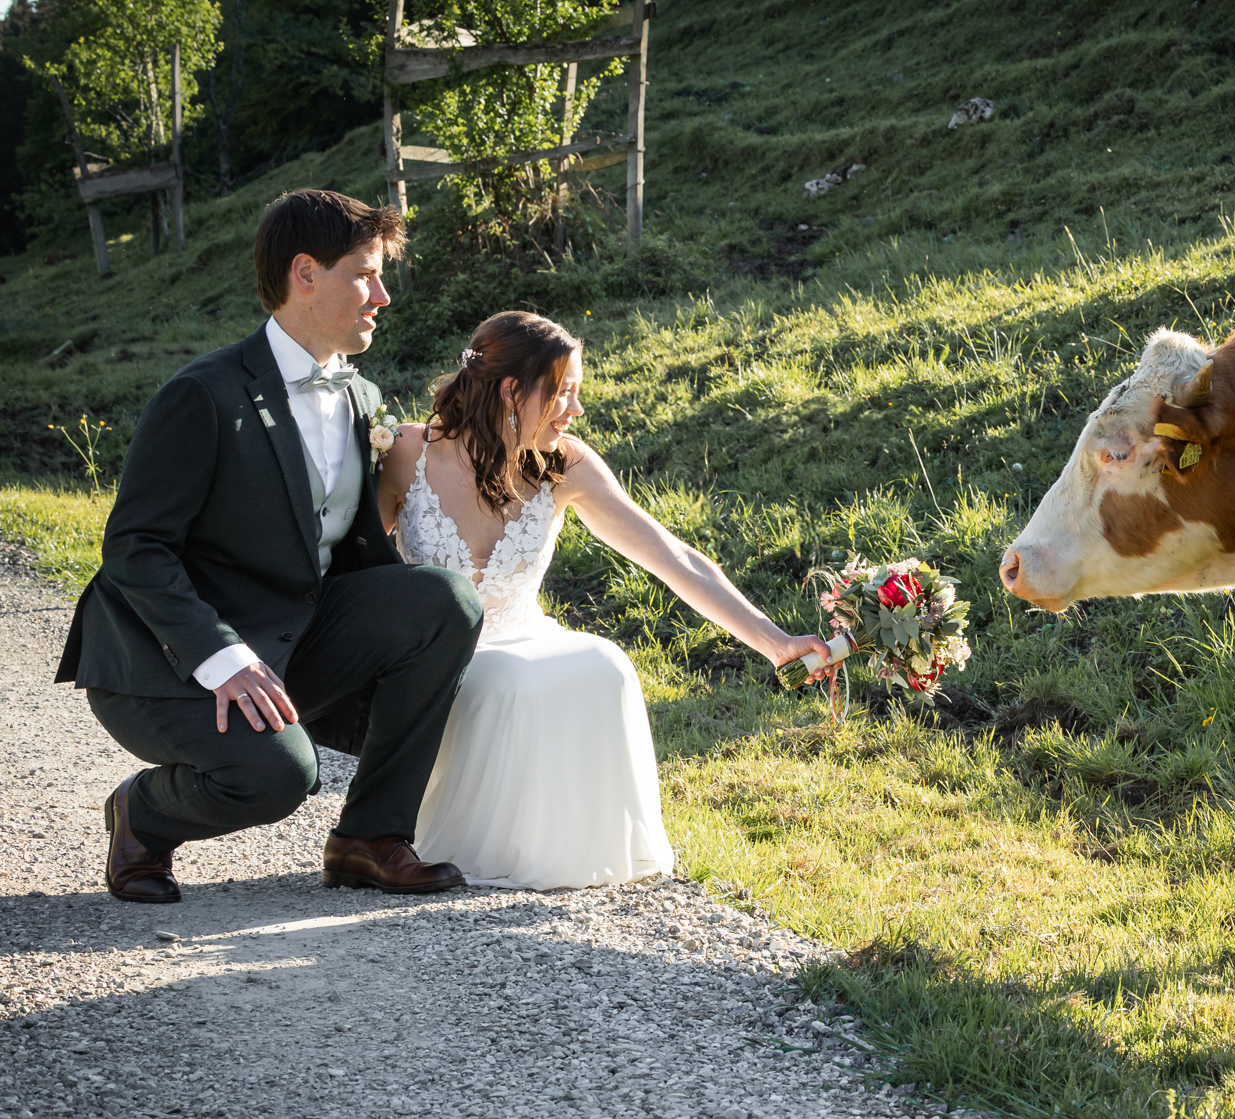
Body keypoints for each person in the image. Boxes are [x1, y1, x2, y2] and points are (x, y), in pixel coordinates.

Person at [56, 189, 483, 903]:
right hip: (165, 660)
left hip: (293, 635)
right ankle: (143, 814)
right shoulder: (205, 395)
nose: (381, 295)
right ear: (305, 274)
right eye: (365, 274)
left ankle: (370, 838)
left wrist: (418, 657)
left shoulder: (359, 397)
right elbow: (135, 547)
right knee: (280, 776)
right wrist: (223, 659)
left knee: (444, 601)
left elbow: (348, 549)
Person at [378, 310, 832, 890]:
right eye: (563, 392)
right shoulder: (405, 454)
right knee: (511, 682)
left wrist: (776, 642)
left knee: (605, 662)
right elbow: (354, 572)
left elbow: (674, 557)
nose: (576, 410)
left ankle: (566, 853)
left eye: (577, 393)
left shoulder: (565, 464)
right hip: (439, 653)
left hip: (525, 630)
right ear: (512, 390)